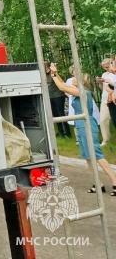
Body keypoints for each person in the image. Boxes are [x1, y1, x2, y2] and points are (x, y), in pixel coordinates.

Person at [50, 64, 116, 195]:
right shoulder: (77, 90)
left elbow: (62, 87)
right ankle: (98, 183)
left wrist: (52, 75)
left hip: (87, 125)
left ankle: (115, 181)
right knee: (87, 156)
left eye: (75, 77)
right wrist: (55, 73)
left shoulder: (82, 92)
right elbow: (63, 84)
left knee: (96, 154)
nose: (72, 78)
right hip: (80, 125)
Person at [45, 62, 71, 138]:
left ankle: (67, 132)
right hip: (50, 96)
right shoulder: (43, 75)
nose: (45, 69)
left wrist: (54, 72)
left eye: (46, 67)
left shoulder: (53, 73)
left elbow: (61, 82)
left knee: (61, 113)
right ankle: (60, 132)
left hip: (58, 96)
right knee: (55, 114)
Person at [97, 57, 116, 144]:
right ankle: (106, 139)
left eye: (108, 66)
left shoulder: (113, 75)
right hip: (105, 99)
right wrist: (100, 82)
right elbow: (102, 88)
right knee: (103, 120)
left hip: (113, 98)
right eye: (105, 67)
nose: (107, 69)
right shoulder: (104, 74)